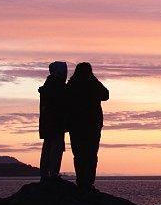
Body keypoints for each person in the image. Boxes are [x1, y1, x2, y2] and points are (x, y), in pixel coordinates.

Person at [66, 62, 109, 190]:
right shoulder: (93, 83)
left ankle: (81, 181)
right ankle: (88, 182)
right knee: (91, 154)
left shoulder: (72, 85)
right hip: (92, 124)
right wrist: (94, 81)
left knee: (79, 154)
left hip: (76, 125)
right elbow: (105, 95)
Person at [38, 61, 68, 182]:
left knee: (48, 147)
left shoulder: (48, 86)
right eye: (64, 70)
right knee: (56, 147)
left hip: (47, 123)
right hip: (57, 123)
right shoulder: (59, 86)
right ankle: (53, 174)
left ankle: (45, 174)